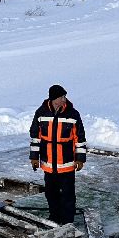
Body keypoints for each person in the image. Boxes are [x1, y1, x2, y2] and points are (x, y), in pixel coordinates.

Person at [29, 84, 86, 225]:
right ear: (54, 99)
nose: (64, 99)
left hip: (67, 164)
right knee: (51, 193)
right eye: (62, 97)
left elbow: (80, 139)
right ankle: (54, 217)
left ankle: (68, 222)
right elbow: (35, 138)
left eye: (64, 96)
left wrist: (80, 159)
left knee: (67, 195)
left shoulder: (73, 114)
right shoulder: (41, 113)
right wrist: (34, 157)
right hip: (48, 165)